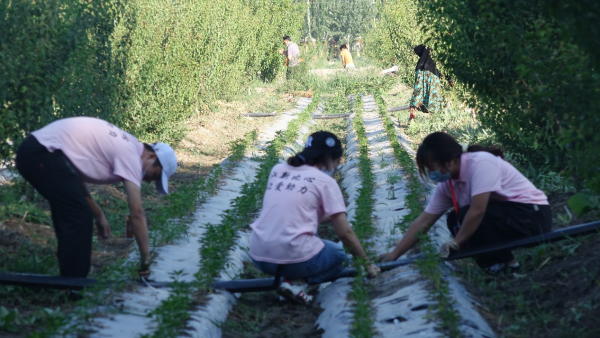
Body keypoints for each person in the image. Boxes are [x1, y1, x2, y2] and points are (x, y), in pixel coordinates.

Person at [15, 117, 178, 278]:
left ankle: (69, 281)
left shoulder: (129, 146)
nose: (149, 181)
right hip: (42, 152)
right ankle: (73, 286)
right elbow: (136, 213)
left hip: (38, 150)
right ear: (151, 157)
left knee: (73, 212)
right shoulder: (131, 156)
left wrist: (98, 214)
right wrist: (145, 260)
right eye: (154, 176)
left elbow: (73, 176)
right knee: (78, 215)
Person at [379, 132, 552, 275]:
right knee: (454, 219)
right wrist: (395, 254)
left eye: (433, 168)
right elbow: (424, 221)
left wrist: (455, 242)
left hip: (533, 217)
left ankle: (509, 265)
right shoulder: (448, 185)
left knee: (467, 215)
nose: (432, 174)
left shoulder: (480, 164)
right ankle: (496, 267)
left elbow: (478, 210)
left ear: (450, 160)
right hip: (506, 219)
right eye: (429, 170)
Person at [249, 131, 380, 305]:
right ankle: (296, 283)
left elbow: (298, 213)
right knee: (340, 256)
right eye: (337, 161)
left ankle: (289, 282)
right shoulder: (324, 181)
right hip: (293, 259)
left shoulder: (278, 170)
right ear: (328, 158)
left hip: (259, 255)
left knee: (309, 238)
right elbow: (345, 234)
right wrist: (367, 264)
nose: (336, 167)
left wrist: (334, 214)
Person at [408, 45, 453, 123]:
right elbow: (445, 67)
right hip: (432, 73)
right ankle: (435, 122)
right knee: (434, 98)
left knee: (418, 94)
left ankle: (411, 119)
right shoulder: (444, 48)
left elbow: (416, 49)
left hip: (420, 71)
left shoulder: (430, 42)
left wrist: (425, 54)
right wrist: (449, 79)